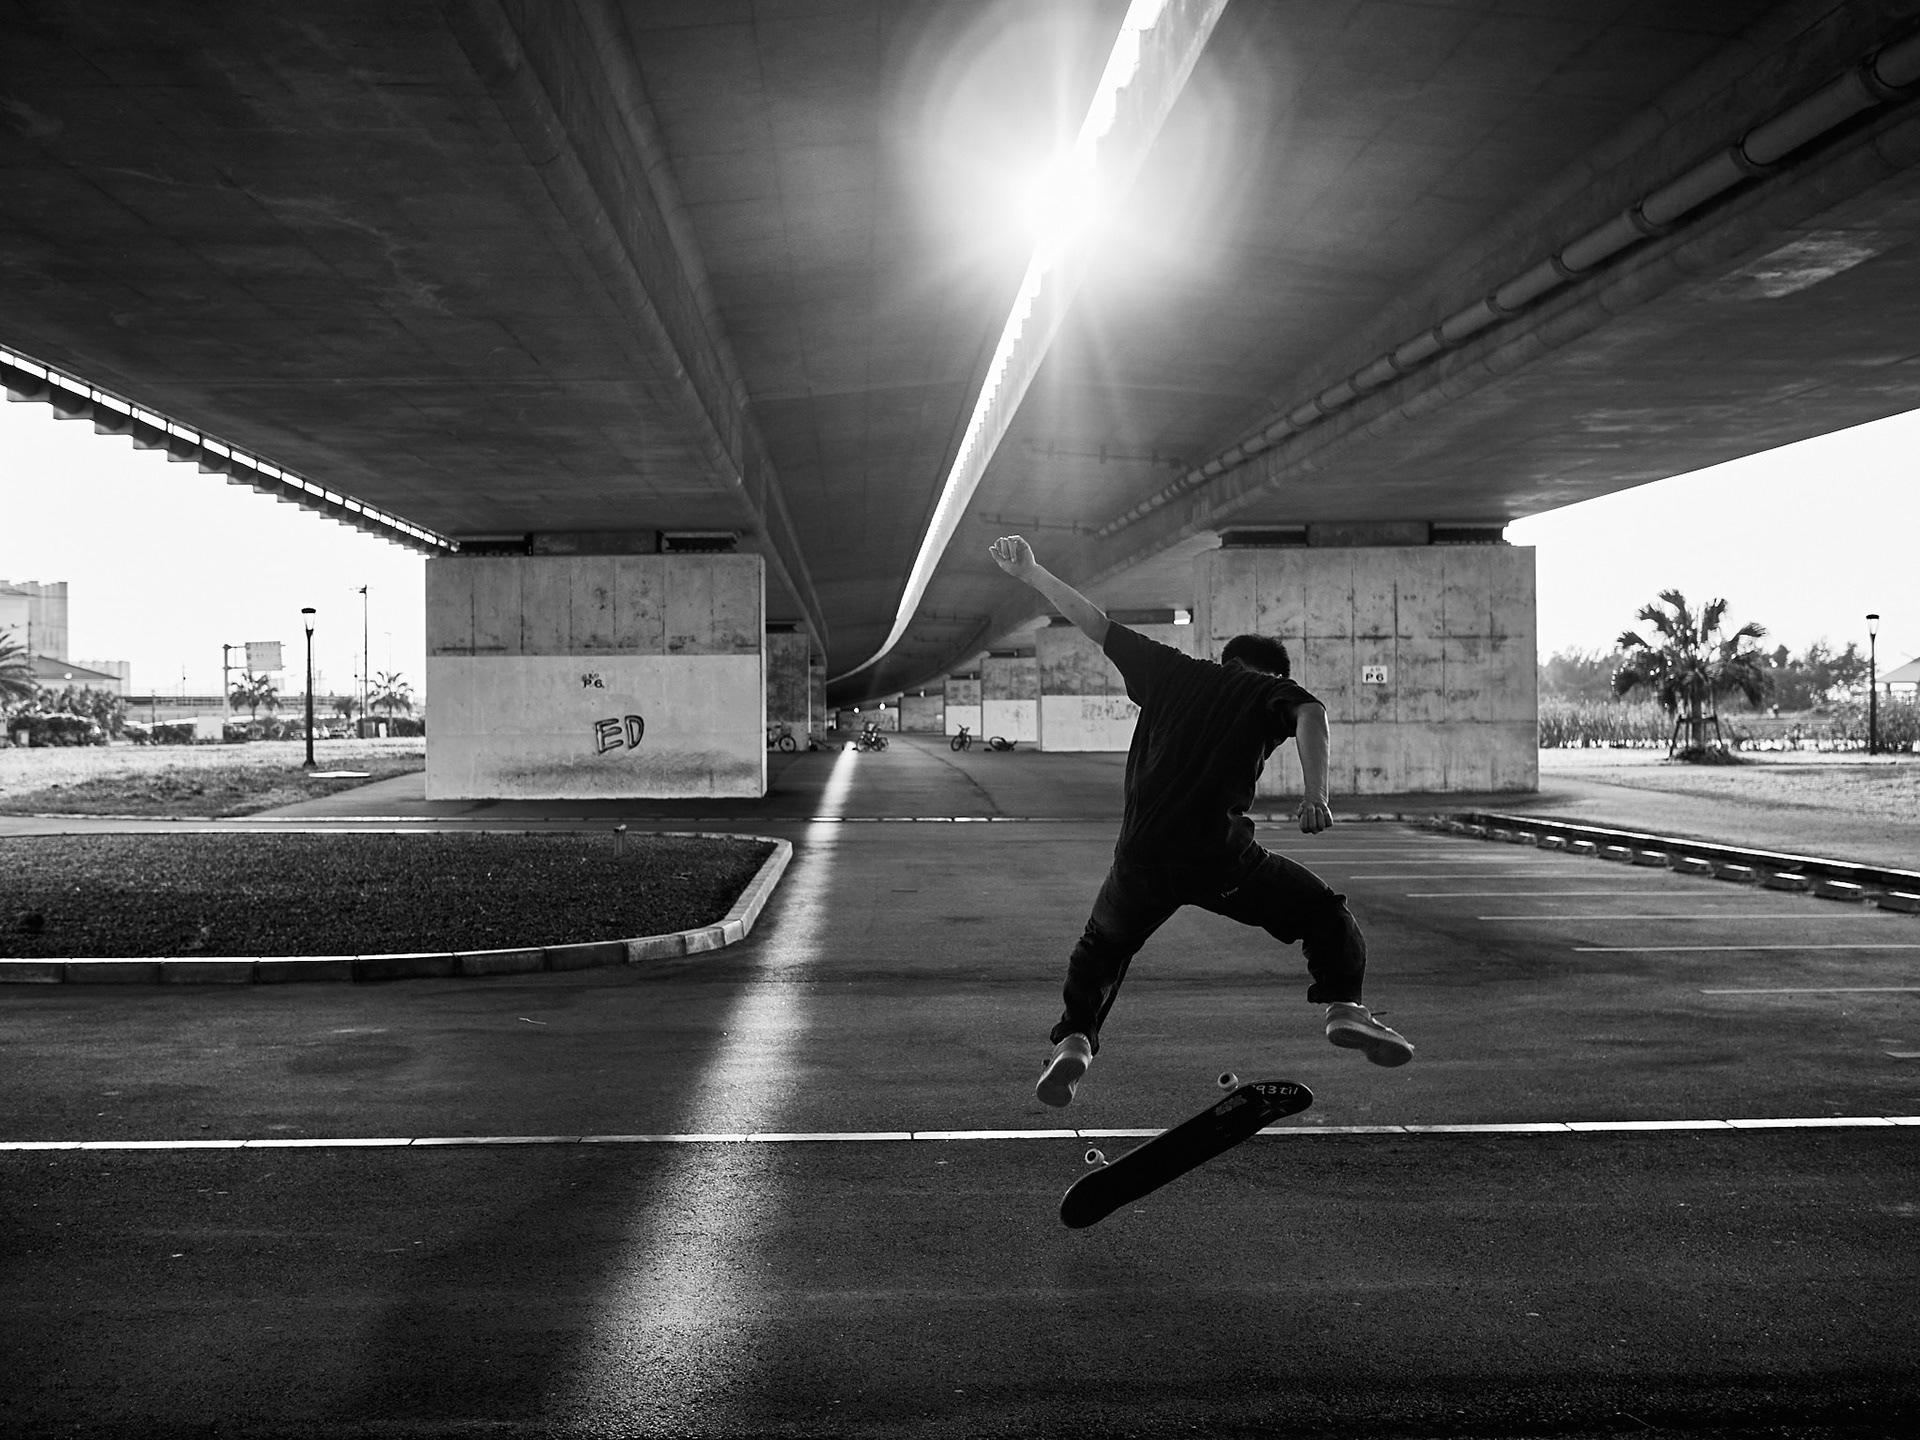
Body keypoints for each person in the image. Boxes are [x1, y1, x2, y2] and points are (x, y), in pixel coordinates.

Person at [986, 535, 1414, 1109]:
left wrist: (1033, 572)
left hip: (1141, 858)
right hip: (1220, 858)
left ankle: (1076, 1041)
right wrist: (1316, 795)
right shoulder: (1267, 690)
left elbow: (1095, 623)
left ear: (1226, 659)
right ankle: (1344, 1006)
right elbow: (1312, 713)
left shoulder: (1169, 670)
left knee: (1102, 947)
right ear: (1268, 673)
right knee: (1322, 912)